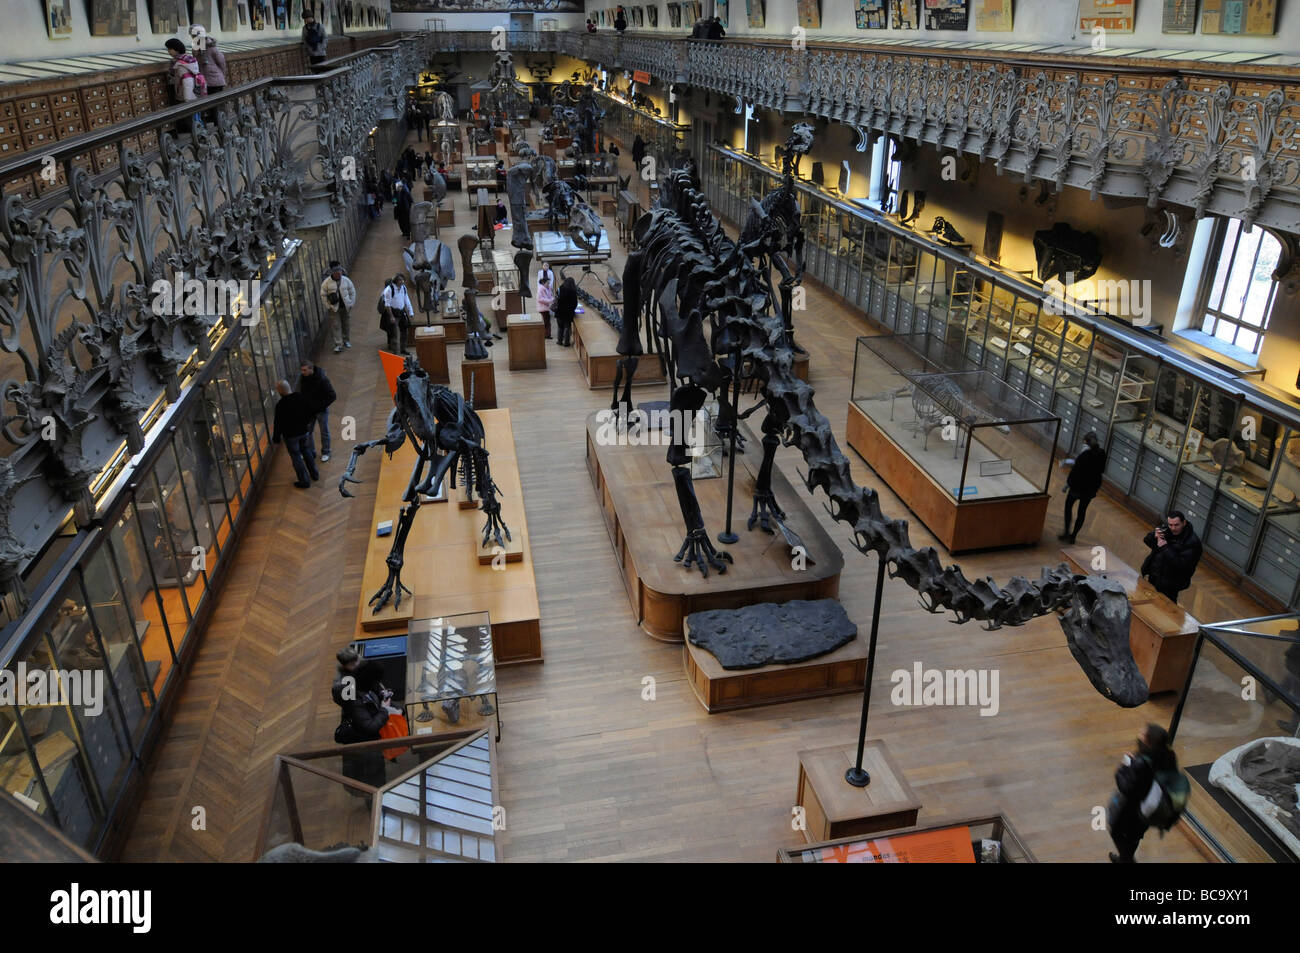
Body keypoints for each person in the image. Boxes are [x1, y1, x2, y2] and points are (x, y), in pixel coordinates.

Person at [1106, 724, 1186, 863]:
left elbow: (1127, 788)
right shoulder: (1168, 756)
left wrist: (1124, 767)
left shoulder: (1142, 764)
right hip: (1151, 808)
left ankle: (1127, 860)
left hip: (1132, 809)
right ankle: (1126, 858)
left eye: (1142, 734)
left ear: (1149, 742)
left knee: (1116, 831)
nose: (1139, 734)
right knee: (1134, 836)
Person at [331, 648, 391, 793]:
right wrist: (384, 710)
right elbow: (368, 726)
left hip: (370, 743)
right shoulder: (351, 695)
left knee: (375, 776)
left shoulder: (362, 679)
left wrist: (381, 693)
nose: (357, 664)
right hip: (362, 746)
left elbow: (374, 687)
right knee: (368, 780)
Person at [1141, 510, 1203, 604]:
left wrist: (1165, 547)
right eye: (1170, 524)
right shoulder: (1166, 529)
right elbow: (1148, 542)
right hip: (1154, 576)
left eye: (1176, 525)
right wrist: (1154, 536)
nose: (1173, 528)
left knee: (1166, 610)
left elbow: (1181, 565)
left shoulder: (1192, 543)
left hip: (1170, 584)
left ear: (1184, 523)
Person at [1057, 432, 1106, 544]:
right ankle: (1073, 536)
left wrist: (1067, 484)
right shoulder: (1102, 453)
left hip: (1077, 487)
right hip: (1090, 489)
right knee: (1082, 512)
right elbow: (1101, 470)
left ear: (1086, 442)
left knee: (1068, 507)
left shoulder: (1085, 455)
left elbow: (1075, 471)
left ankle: (1066, 532)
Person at [271, 380, 319, 489]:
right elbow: (311, 412)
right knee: (306, 450)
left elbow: (278, 423)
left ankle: (304, 481)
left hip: (291, 436)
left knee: (296, 457)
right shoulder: (301, 397)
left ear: (280, 391)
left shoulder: (281, 405)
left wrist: (276, 439)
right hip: (304, 431)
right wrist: (308, 425)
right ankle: (315, 474)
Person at [299, 361, 337, 463]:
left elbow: (332, 395)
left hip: (321, 411)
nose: (302, 372)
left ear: (311, 369)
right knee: (308, 432)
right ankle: (311, 452)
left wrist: (320, 406)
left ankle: (326, 452)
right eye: (302, 370)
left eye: (305, 370)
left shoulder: (322, 379)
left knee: (324, 432)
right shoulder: (303, 378)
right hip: (309, 411)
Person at [165, 38, 204, 134]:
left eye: (169, 49)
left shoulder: (180, 65)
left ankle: (198, 136)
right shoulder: (189, 60)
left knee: (191, 119)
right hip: (195, 93)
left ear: (175, 49)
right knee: (196, 115)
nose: (168, 51)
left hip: (187, 95)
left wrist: (187, 99)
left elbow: (187, 82)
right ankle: (201, 133)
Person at [319, 261, 356, 353]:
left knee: (346, 324)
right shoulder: (326, 283)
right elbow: (323, 295)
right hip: (334, 308)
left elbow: (352, 291)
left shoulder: (346, 280)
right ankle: (338, 344)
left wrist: (351, 303)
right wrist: (328, 306)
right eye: (337, 272)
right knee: (336, 325)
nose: (339, 274)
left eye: (340, 271)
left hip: (345, 307)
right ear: (332, 273)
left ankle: (346, 340)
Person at [381, 274, 415, 354]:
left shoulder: (403, 287)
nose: (402, 282)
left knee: (405, 332)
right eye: (400, 280)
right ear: (396, 281)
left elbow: (406, 299)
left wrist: (410, 311)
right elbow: (387, 304)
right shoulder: (389, 290)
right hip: (394, 313)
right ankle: (396, 353)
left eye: (403, 280)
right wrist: (391, 316)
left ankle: (403, 349)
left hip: (402, 312)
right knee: (395, 334)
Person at [189, 26, 227, 95]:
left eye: (194, 36)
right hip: (204, 80)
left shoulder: (211, 47)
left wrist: (222, 74)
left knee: (215, 102)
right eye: (192, 36)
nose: (193, 38)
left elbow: (222, 62)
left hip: (215, 80)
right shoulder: (196, 47)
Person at [554, 275, 578, 347]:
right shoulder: (573, 291)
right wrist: (572, 309)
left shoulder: (560, 288)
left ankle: (559, 341)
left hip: (559, 311)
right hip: (568, 313)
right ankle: (566, 342)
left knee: (560, 327)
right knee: (567, 327)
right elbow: (574, 303)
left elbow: (556, 298)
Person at [536, 271, 555, 340]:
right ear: (543, 283)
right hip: (543, 308)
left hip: (546, 308)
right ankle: (545, 335)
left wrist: (553, 299)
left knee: (547, 322)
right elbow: (540, 299)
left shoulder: (548, 288)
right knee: (545, 323)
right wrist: (550, 301)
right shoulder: (540, 289)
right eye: (547, 283)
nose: (549, 284)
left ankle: (547, 335)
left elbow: (550, 296)